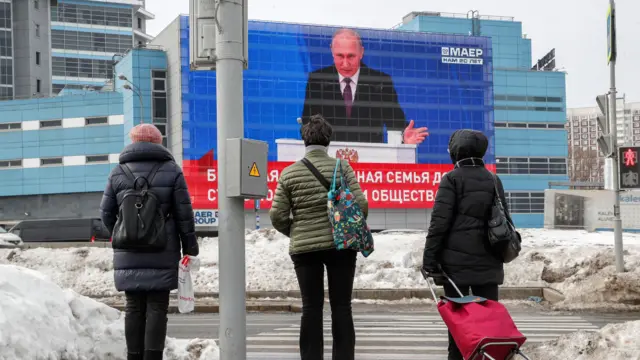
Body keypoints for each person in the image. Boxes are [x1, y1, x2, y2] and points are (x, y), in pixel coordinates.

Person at [269, 115, 368, 360]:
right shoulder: (341, 167)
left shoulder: (289, 173)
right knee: (342, 307)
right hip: (341, 245)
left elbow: (277, 215)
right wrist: (344, 224)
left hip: (305, 249)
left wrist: (296, 230)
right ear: (328, 140)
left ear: (304, 139)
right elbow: (361, 205)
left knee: (311, 308)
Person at [100, 124, 199, 360]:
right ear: (158, 142)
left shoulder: (118, 172)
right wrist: (190, 247)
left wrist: (123, 234)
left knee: (133, 307)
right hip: (162, 249)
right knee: (157, 307)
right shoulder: (172, 170)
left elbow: (105, 213)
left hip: (128, 251)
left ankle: (133, 356)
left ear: (133, 142)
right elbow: (184, 213)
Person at [421, 129, 511, 360]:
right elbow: (505, 220)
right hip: (489, 264)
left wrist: (429, 261)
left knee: (458, 330)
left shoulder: (451, 179)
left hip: (455, 269)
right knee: (488, 328)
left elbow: (438, 225)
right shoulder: (493, 179)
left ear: (456, 151)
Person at [301, 28, 428, 145]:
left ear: (361, 52)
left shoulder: (381, 82)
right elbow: (307, 125)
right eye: (340, 56)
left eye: (351, 56)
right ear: (332, 51)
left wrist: (404, 138)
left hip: (369, 163)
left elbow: (395, 122)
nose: (345, 64)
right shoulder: (317, 80)